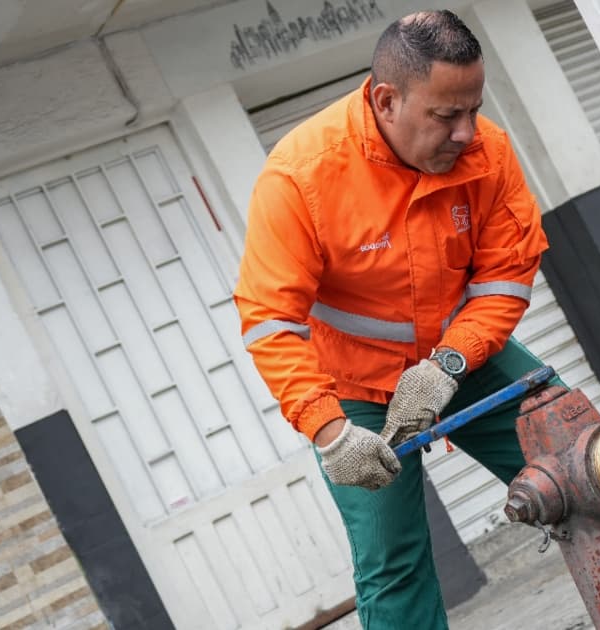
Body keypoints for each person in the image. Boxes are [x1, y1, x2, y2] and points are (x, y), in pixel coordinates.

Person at [234, 10, 558, 629]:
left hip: (465, 362)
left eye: (473, 110)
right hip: (353, 391)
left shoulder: (488, 152)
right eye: (445, 116)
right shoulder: (300, 176)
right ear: (386, 100)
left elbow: (504, 278)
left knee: (587, 465)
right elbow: (270, 321)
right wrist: (330, 432)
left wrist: (450, 363)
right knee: (393, 562)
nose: (468, 133)